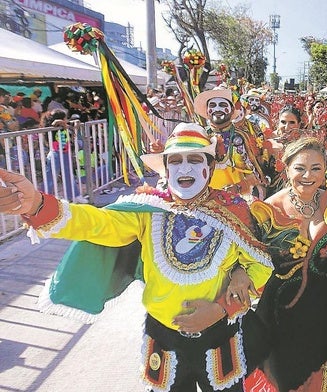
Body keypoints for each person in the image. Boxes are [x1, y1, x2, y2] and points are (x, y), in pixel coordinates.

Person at [0, 122, 274, 392]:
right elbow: (98, 223)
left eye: (195, 159)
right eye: (176, 161)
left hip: (219, 335)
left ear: (210, 167)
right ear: (166, 168)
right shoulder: (148, 208)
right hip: (163, 337)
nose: (185, 168)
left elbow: (260, 263)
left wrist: (223, 305)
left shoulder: (233, 210)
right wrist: (37, 204)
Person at [248, 137, 327, 391]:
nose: (308, 175)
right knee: (284, 378)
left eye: (316, 168)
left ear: (325, 170)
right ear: (286, 168)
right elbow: (248, 259)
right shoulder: (268, 210)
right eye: (299, 168)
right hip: (280, 312)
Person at [194, 87, 267, 198]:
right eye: (212, 106)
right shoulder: (200, 135)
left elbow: (255, 176)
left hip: (238, 198)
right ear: (206, 110)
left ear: (232, 110)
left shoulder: (240, 137)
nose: (217, 109)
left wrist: (237, 187)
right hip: (204, 198)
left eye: (223, 105)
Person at [42, 110, 87, 203]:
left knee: (69, 175)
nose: (66, 119)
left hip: (65, 153)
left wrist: (73, 123)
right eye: (65, 118)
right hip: (55, 154)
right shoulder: (52, 127)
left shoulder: (65, 126)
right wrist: (64, 123)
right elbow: (55, 123)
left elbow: (76, 122)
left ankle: (75, 195)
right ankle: (43, 197)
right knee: (50, 176)